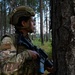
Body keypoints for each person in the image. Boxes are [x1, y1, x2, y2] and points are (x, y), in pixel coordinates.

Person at [9, 5, 53, 75]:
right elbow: (5, 69)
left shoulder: (28, 41)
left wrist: (44, 66)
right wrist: (27, 54)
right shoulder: (9, 40)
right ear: (24, 23)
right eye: (32, 21)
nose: (34, 23)